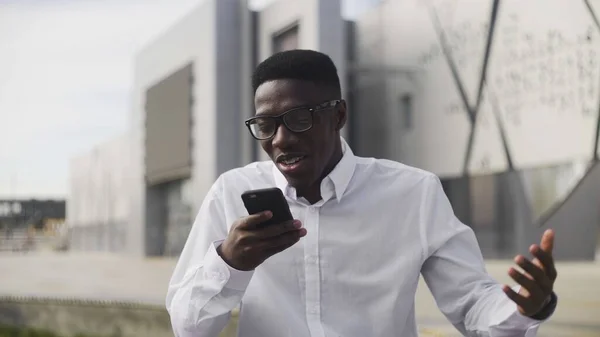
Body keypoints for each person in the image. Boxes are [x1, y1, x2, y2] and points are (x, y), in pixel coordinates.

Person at [166, 49, 558, 337]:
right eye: (266, 125)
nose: (281, 139)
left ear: (338, 115)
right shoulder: (231, 192)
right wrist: (229, 262)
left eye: (299, 119)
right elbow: (188, 326)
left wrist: (525, 306)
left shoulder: (414, 194)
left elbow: (473, 306)